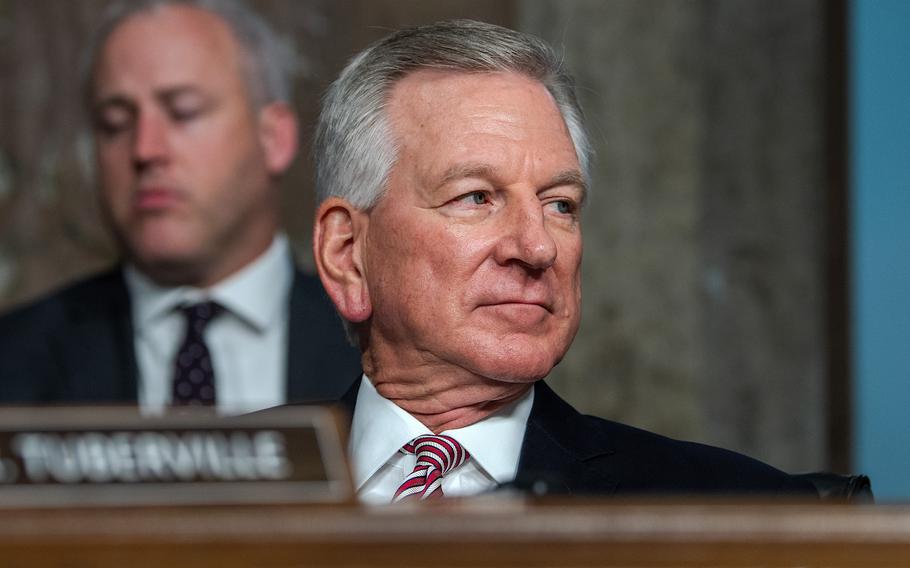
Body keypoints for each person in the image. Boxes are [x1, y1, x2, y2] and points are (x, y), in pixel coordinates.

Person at [310, 19, 816, 502]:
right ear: (347, 255)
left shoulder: (736, 510)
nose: (537, 248)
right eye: (476, 197)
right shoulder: (235, 498)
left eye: (559, 205)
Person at [0, 0, 359, 412]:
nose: (145, 149)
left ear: (274, 138)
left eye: (183, 112)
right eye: (115, 123)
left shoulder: (387, 353)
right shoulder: (13, 361)